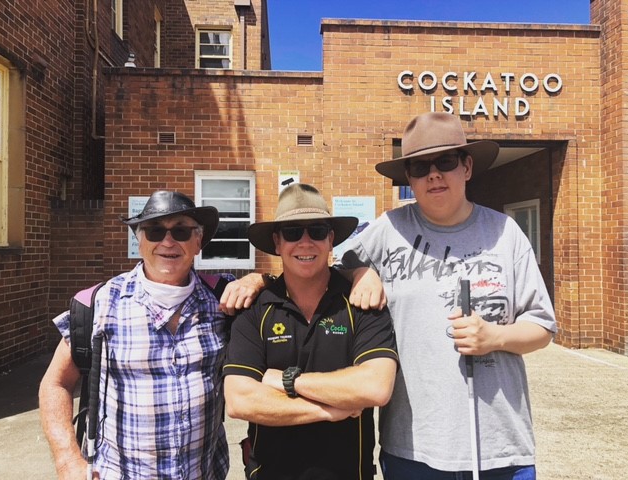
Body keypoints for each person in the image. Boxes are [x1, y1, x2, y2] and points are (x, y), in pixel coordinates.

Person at [340, 112, 558, 480]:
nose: (434, 174)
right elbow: (333, 262)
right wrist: (362, 271)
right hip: (414, 449)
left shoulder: (505, 233)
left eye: (446, 161)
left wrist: (495, 337)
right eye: (420, 167)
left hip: (498, 449)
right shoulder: (390, 228)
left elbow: (542, 327)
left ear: (467, 166)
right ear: (409, 178)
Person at [39, 190, 267, 480]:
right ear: (139, 240)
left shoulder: (223, 299)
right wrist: (67, 459)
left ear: (198, 242)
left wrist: (260, 279)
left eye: (181, 231)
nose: (168, 241)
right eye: (155, 230)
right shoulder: (101, 303)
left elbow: (287, 292)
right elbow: (55, 383)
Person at [223, 183, 399, 480]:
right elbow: (241, 400)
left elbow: (375, 387)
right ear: (277, 242)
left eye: (317, 231)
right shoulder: (254, 308)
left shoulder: (363, 301)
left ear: (330, 240)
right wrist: (331, 410)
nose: (305, 242)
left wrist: (286, 380)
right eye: (292, 232)